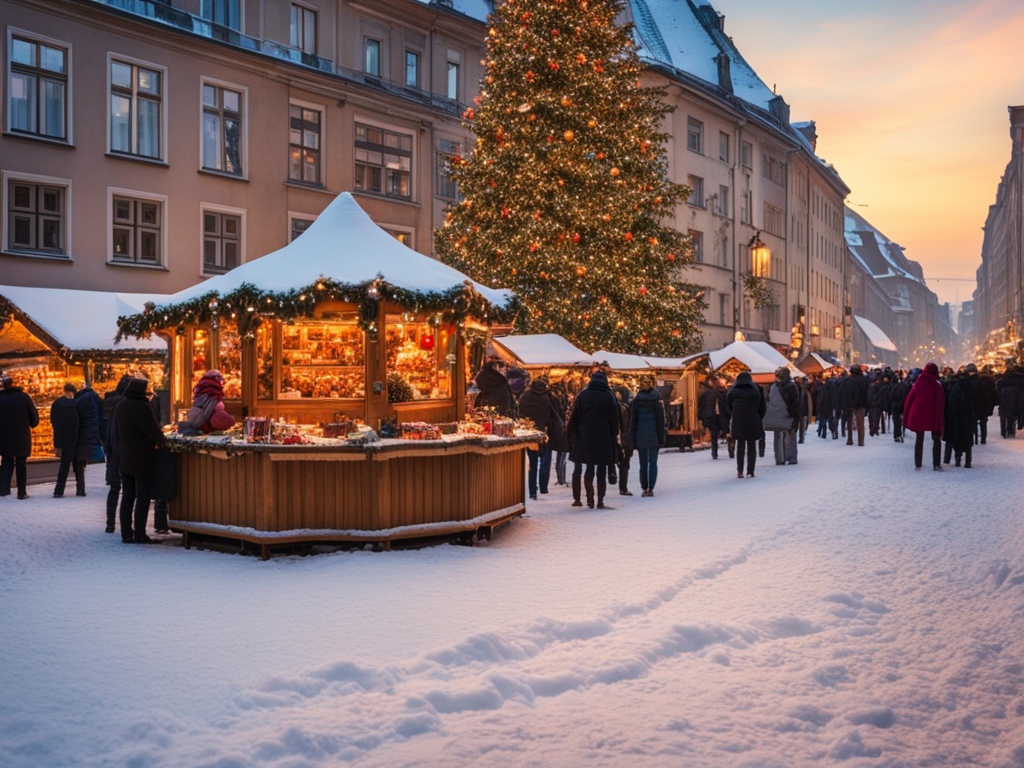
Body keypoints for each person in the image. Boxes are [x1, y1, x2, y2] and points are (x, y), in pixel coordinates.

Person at [114, 377, 167, 543]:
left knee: (128, 496)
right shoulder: (142, 408)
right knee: (143, 497)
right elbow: (155, 434)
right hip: (142, 458)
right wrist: (162, 439)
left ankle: (126, 533)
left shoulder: (121, 406)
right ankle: (140, 533)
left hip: (126, 457)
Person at [566, 370, 619, 509]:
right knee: (602, 469)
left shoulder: (583, 395)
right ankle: (600, 500)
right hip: (604, 435)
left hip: (585, 435)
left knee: (589, 468)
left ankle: (590, 498)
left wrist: (574, 434)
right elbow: (615, 420)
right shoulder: (609, 396)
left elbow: (575, 416)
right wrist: (613, 436)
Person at [517, 377, 563, 500]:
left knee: (532, 464)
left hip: (530, 433)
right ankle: (543, 486)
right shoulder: (548, 396)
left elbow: (519, 412)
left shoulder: (525, 396)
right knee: (545, 461)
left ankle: (532, 490)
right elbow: (556, 413)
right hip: (545, 433)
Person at [0, 374, 40, 499]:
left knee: (6, 461)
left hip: (4, 437)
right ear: (13, 383)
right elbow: (34, 418)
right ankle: (21, 492)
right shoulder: (24, 397)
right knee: (21, 463)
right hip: (21, 437)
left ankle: (3, 490)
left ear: (3, 385)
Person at [628, 374, 666, 497]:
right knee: (653, 462)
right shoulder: (657, 399)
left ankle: (644, 487)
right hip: (653, 433)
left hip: (640, 434)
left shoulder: (636, 400)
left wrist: (631, 438)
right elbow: (661, 420)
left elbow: (633, 421)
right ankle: (651, 488)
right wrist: (662, 437)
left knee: (643, 463)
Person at [102, 375, 132, 533]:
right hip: (125, 450)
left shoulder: (111, 404)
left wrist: (107, 448)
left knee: (114, 488)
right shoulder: (127, 405)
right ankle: (126, 524)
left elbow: (108, 430)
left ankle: (110, 523)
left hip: (113, 450)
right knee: (129, 490)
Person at [903, 361, 945, 471]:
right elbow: (941, 401)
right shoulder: (937, 385)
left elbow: (909, 399)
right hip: (933, 415)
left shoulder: (919, 383)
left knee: (919, 439)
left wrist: (907, 414)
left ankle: (918, 463)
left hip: (918, 414)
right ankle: (936, 464)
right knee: (936, 439)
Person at [726, 371, 765, 478]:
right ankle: (751, 471)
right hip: (753, 420)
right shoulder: (756, 391)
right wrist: (758, 417)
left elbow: (728, 406)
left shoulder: (732, 392)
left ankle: (740, 471)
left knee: (740, 446)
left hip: (738, 421)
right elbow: (762, 408)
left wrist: (735, 414)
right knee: (752, 446)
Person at [178, 370, 236, 434]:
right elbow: (212, 415)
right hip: (208, 430)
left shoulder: (200, 393)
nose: (223, 383)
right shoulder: (214, 396)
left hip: (200, 428)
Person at [50, 383, 81, 497]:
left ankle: (58, 491)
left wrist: (57, 441)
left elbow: (54, 421)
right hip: (76, 437)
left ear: (65, 391)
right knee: (78, 464)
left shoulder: (56, 403)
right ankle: (80, 489)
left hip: (63, 438)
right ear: (72, 392)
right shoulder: (75, 404)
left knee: (64, 465)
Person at [764, 366, 799, 466]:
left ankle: (780, 458)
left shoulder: (772, 387)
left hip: (775, 416)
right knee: (790, 437)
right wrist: (795, 417)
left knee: (778, 437)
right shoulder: (791, 386)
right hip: (787, 416)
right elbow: (794, 404)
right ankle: (791, 457)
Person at [73, 382, 103, 496]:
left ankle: (80, 487)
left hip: (81, 434)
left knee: (79, 460)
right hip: (93, 434)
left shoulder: (79, 402)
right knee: (84, 459)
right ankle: (81, 487)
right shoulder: (96, 400)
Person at [697, 377, 730, 460]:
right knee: (723, 432)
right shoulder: (723, 393)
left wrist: (700, 416)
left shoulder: (706, 394)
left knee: (714, 434)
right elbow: (727, 406)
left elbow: (701, 406)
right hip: (719, 416)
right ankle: (728, 445)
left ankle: (714, 452)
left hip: (711, 416)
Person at [840, 364, 869, 446]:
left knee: (850, 423)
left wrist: (845, 405)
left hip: (850, 405)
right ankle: (861, 441)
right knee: (860, 424)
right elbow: (866, 393)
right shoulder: (864, 380)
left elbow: (844, 394)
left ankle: (850, 440)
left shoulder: (848, 380)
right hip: (861, 404)